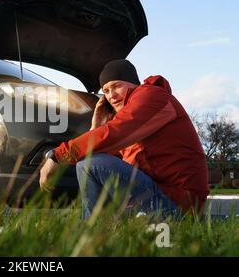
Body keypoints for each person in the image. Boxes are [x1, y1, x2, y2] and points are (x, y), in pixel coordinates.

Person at [39, 59, 209, 219]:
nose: (111, 95)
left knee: (91, 164)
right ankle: (96, 231)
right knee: (88, 162)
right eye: (105, 91)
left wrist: (57, 155)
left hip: (180, 203)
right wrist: (96, 128)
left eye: (116, 86)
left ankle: (93, 230)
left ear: (133, 83)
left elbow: (115, 132)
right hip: (158, 193)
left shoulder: (152, 95)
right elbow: (105, 159)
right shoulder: (131, 126)